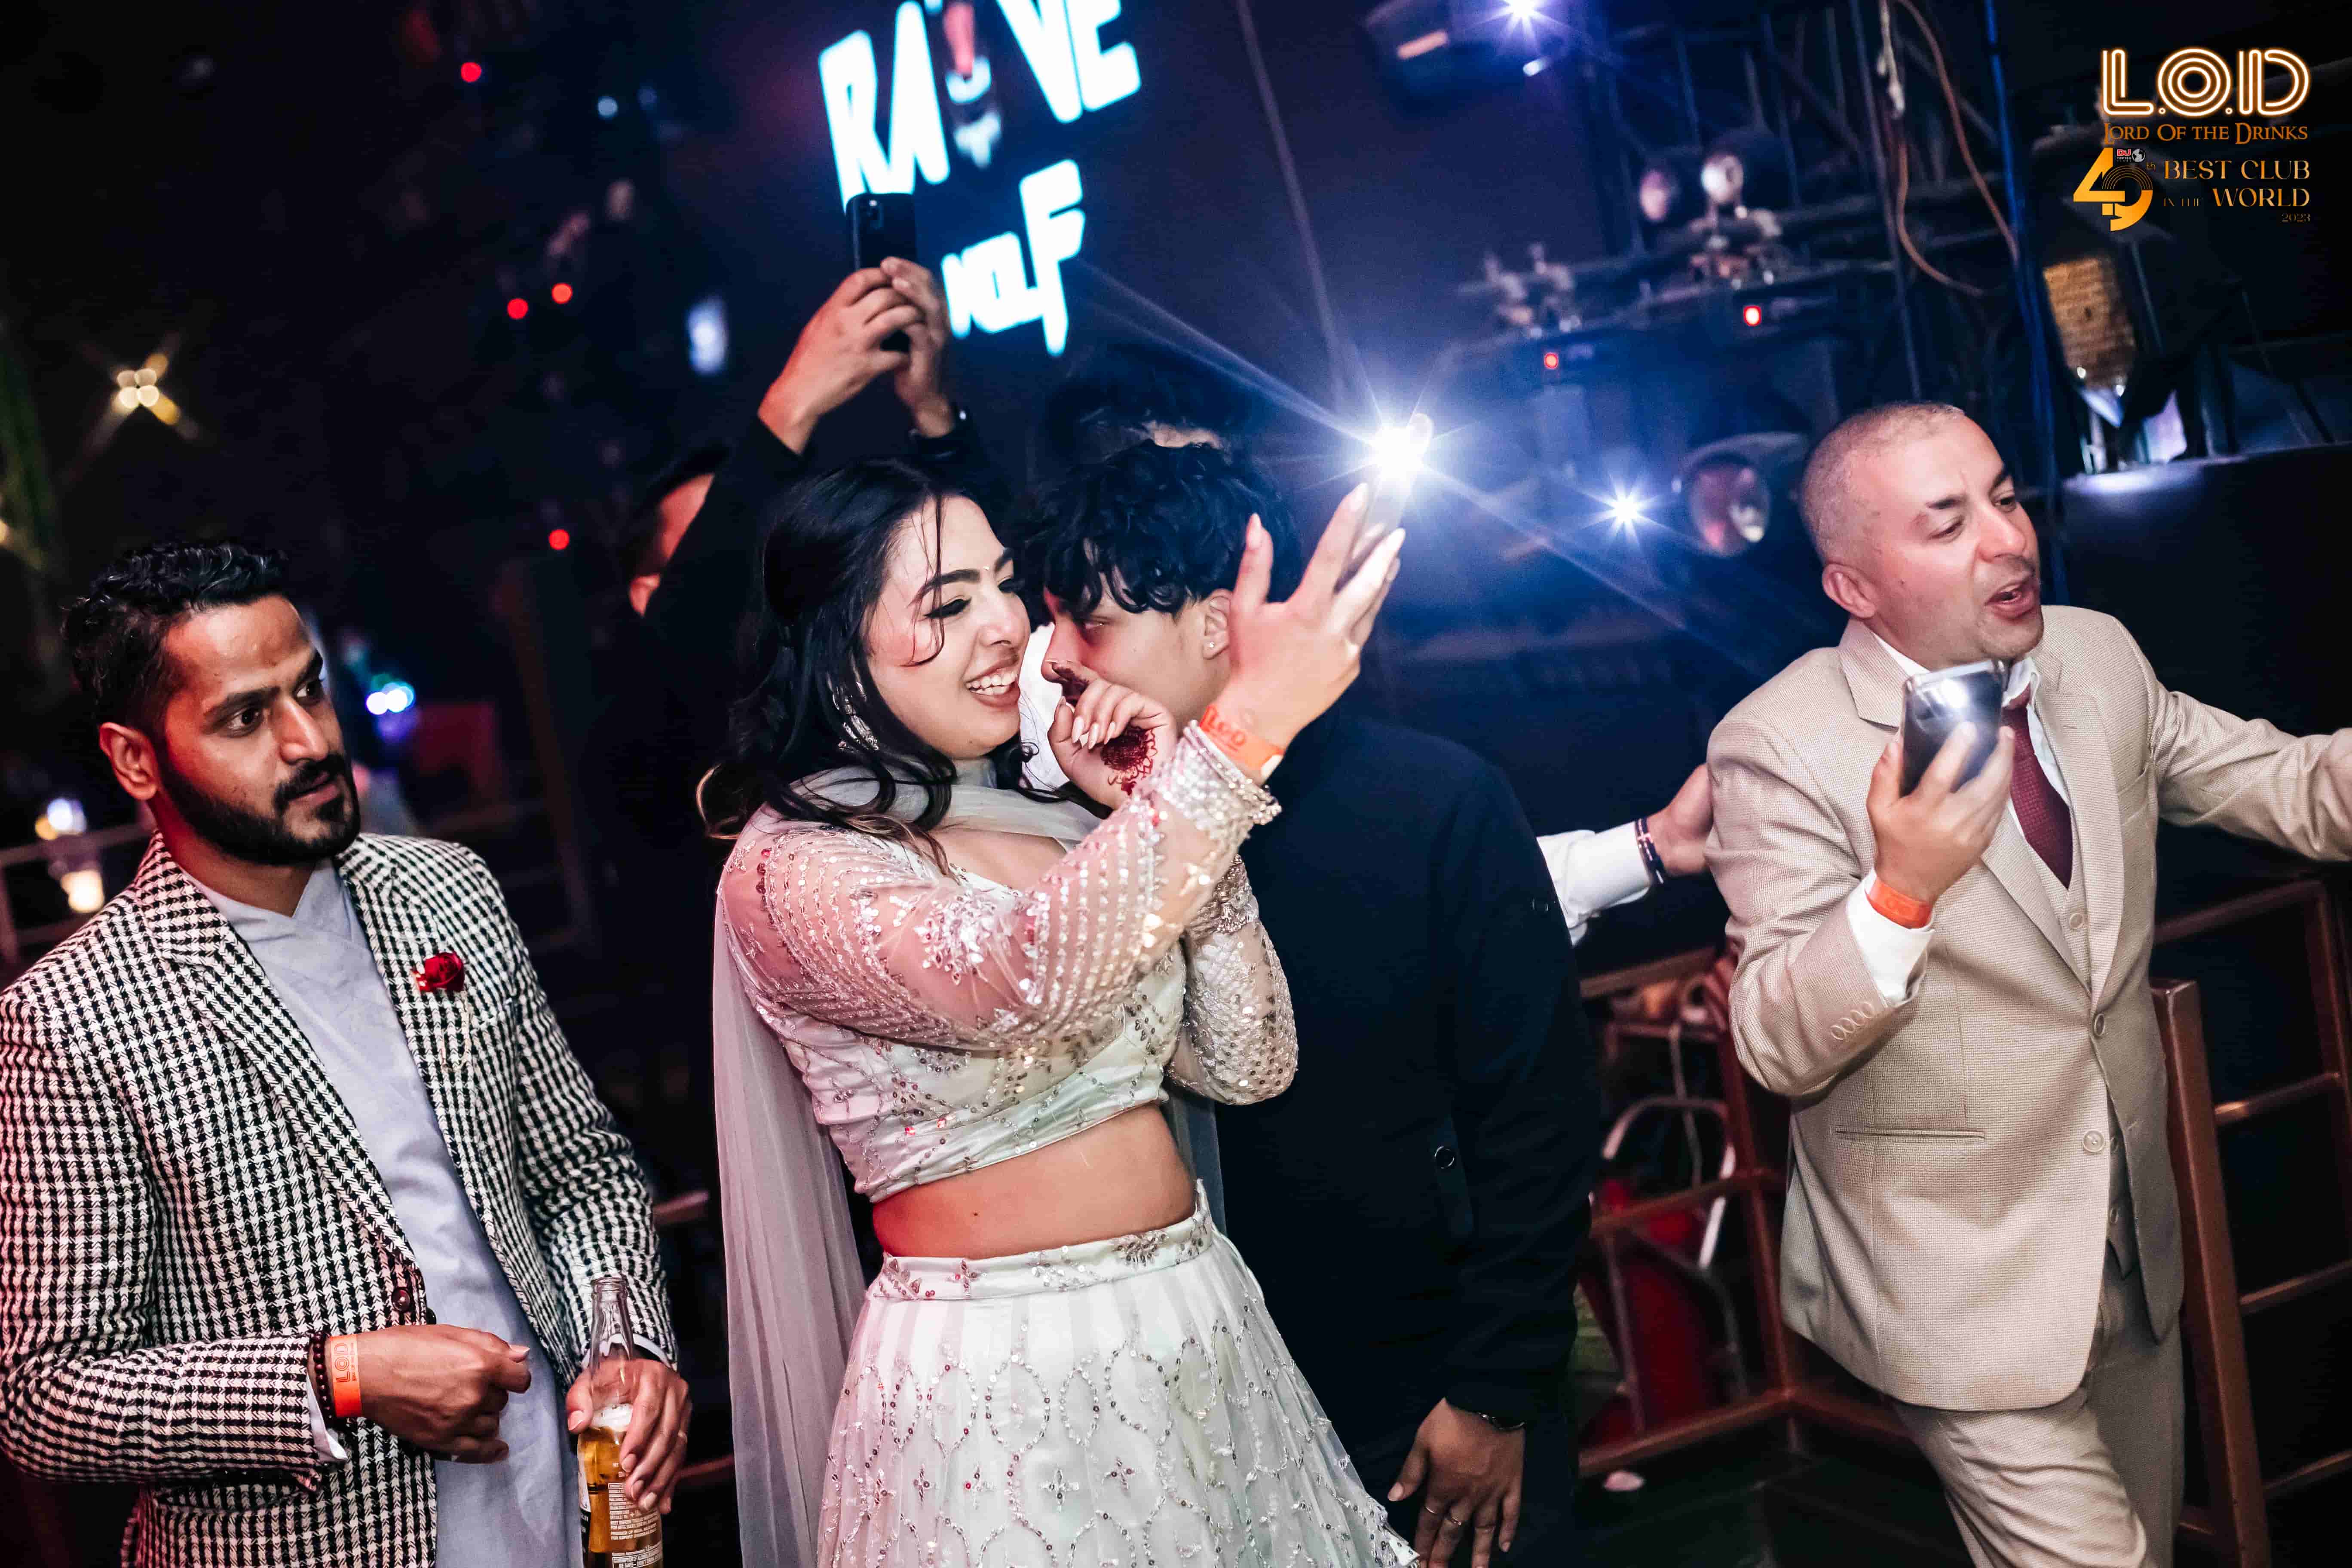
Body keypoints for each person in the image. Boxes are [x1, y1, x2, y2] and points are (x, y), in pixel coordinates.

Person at [702, 456, 1415, 1565]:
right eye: (948, 604)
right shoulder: (791, 870)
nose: (1006, 627)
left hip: (1198, 1316)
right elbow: (1016, 982)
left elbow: (1247, 1061)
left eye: (1002, 584)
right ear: (837, 645)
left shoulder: (1052, 820)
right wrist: (1236, 739)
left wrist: (1155, 800)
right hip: (1003, 1377)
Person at [1011, 441, 1708, 1567]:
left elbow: (1536, 1120)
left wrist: (1492, 1393)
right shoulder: (1096, 832)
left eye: (1089, 623)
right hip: (1198, 1392)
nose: (1057, 659)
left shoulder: (1430, 801)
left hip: (1425, 1381)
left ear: (1213, 623)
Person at [1707, 401, 2352, 1568]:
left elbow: (2293, 784)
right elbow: (1775, 1043)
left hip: (2130, 1248)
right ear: (1855, 588)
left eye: (2004, 497)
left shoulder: (2094, 658)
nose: (2009, 539)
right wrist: (1901, 891)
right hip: (1953, 1287)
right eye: (1947, 523)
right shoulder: (1782, 741)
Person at [0, 542, 687, 1568]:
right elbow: (46, 1394)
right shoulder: (71, 1018)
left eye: (309, 690)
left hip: (571, 1505)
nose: (309, 740)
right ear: (136, 760)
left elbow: (579, 1171)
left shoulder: (446, 890)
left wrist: (626, 1343)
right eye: (246, 717)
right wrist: (340, 1375)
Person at [576, 260, 976, 1188]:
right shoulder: (635, 736)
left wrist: (934, 417)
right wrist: (791, 406)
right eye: (724, 545)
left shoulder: (865, 701)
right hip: (792, 1142)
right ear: (650, 594)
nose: (757, 581)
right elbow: (688, 641)